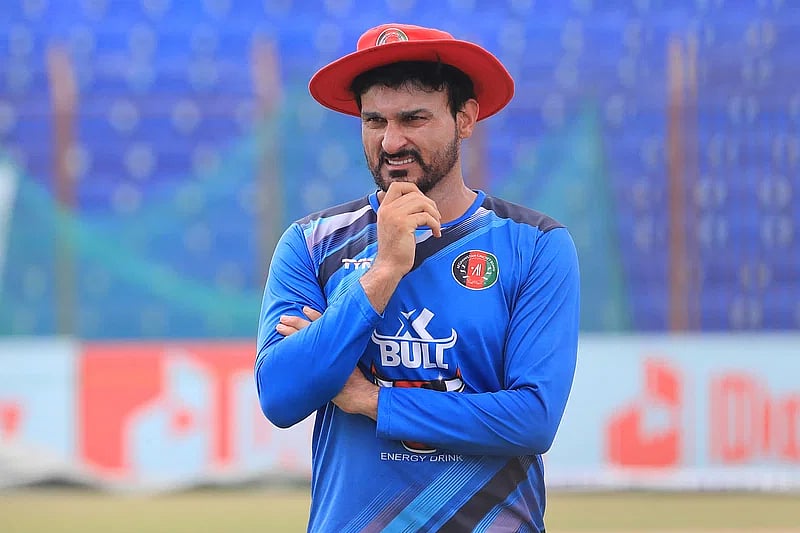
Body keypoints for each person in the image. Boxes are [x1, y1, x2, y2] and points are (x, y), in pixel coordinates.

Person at [255, 23, 580, 533]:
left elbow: (532, 419)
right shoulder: (312, 243)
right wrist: (382, 273)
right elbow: (279, 395)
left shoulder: (535, 244)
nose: (391, 141)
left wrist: (373, 400)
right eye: (373, 121)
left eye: (414, 119)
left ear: (465, 117)